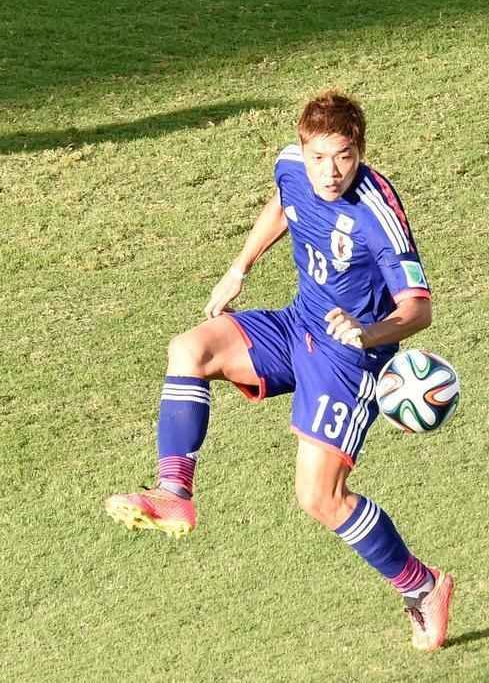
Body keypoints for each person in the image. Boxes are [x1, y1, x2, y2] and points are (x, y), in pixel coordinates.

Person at [104, 91, 454, 651]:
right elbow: (284, 204)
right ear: (303, 147)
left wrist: (366, 333)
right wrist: (238, 268)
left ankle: (423, 586)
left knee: (319, 499)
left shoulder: (378, 212)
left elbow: (418, 309)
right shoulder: (292, 167)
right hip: (297, 325)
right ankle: (174, 492)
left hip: (349, 361)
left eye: (342, 155)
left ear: (359, 148)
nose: (329, 171)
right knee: (190, 349)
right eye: (318, 156)